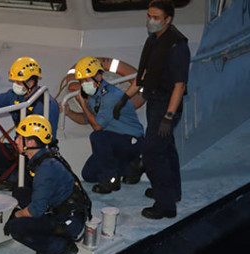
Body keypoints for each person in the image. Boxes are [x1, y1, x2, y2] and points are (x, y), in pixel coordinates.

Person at [114, 0, 189, 219]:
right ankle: (171, 191)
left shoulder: (176, 46)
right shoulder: (154, 41)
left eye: (156, 17)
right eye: (149, 16)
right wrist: (123, 98)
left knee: (152, 154)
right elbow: (144, 77)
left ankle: (165, 206)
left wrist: (168, 116)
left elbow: (179, 85)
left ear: (168, 20)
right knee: (166, 149)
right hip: (154, 102)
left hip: (166, 106)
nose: (150, 21)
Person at [4, 115, 90, 254]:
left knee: (16, 227)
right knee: (20, 192)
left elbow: (36, 210)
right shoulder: (45, 157)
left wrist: (17, 215)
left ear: (30, 142)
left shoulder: (45, 169)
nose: (16, 140)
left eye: (20, 137)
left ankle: (60, 246)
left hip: (69, 220)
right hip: (62, 206)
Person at [0, 57, 60, 184]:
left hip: (36, 153)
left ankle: (15, 178)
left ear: (31, 82)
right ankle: (11, 176)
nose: (15, 85)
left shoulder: (46, 105)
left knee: (24, 184)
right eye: (15, 81)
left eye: (19, 82)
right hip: (18, 148)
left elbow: (40, 141)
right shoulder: (15, 95)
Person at [64, 56, 145, 194]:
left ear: (99, 77)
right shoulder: (94, 95)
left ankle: (110, 180)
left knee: (97, 136)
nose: (84, 84)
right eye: (82, 80)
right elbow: (86, 119)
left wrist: (82, 104)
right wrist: (69, 112)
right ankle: (133, 167)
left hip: (131, 140)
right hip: (115, 142)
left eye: (87, 79)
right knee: (88, 175)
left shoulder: (110, 95)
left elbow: (97, 126)